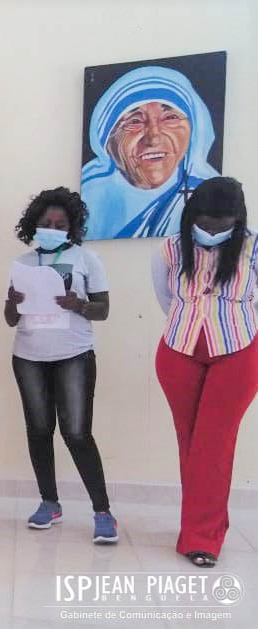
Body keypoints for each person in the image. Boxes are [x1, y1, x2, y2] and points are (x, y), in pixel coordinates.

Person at [152, 177, 258, 567]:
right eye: (205, 223)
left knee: (214, 444)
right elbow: (166, 300)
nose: (211, 231)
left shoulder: (253, 248)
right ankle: (199, 526)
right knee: (191, 443)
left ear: (237, 218)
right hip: (179, 351)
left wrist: (227, 322)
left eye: (221, 224)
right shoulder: (169, 249)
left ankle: (203, 539)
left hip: (237, 351)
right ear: (192, 214)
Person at [4, 187, 118, 544]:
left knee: (77, 433)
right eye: (45, 222)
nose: (51, 227)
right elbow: (10, 319)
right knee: (39, 431)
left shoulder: (87, 259)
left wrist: (78, 304)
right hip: (29, 356)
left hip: (74, 356)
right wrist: (12, 301)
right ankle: (49, 503)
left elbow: (103, 310)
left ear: (72, 227)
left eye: (60, 223)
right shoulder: (21, 263)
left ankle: (103, 512)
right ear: (33, 225)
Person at [82, 66, 221, 239]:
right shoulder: (88, 194)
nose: (153, 138)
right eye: (134, 121)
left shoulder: (209, 196)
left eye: (170, 118)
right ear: (107, 139)